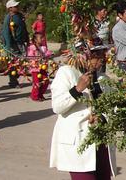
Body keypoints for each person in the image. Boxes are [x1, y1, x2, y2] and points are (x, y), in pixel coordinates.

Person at [49, 43, 116, 180]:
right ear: (84, 56)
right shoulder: (67, 73)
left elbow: (113, 108)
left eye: (103, 54)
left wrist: (102, 118)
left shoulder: (103, 79)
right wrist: (77, 90)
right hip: (79, 143)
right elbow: (57, 106)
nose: (103, 58)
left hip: (101, 141)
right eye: (97, 55)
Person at [1, 0, 29, 87]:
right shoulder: (8, 18)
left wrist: (27, 39)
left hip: (20, 42)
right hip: (13, 44)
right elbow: (6, 32)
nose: (17, 7)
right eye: (15, 6)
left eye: (17, 6)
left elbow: (24, 28)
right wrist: (8, 46)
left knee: (22, 60)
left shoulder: (20, 16)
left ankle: (16, 75)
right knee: (13, 62)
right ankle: (13, 81)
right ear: (10, 8)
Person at [26, 33, 52, 101]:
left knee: (45, 81)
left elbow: (47, 53)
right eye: (40, 38)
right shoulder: (31, 48)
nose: (42, 39)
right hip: (35, 69)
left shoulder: (43, 47)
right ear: (35, 39)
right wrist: (36, 57)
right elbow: (30, 56)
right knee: (37, 83)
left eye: (43, 37)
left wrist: (48, 54)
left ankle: (40, 94)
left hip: (43, 68)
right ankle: (34, 96)